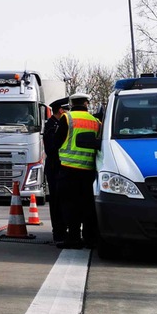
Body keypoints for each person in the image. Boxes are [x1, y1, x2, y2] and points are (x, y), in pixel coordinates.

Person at [55, 92, 101, 249]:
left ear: (72, 103)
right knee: (88, 205)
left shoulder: (67, 118)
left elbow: (56, 142)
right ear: (86, 103)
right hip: (89, 171)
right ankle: (89, 238)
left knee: (70, 205)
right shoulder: (96, 121)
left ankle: (73, 238)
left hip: (69, 169)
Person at [43, 98, 69, 244]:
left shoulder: (57, 124)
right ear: (61, 110)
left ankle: (62, 230)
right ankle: (59, 233)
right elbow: (53, 149)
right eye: (67, 110)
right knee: (57, 202)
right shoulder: (52, 126)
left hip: (59, 169)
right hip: (55, 169)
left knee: (62, 201)